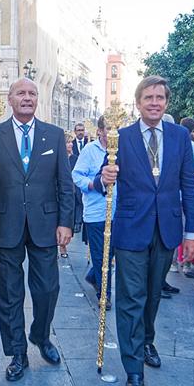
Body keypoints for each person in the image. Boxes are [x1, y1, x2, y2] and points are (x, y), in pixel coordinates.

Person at [98, 76, 194, 386]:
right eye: (148, 97)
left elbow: (189, 186)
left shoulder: (180, 136)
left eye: (159, 97)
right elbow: (106, 175)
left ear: (166, 102)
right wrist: (105, 177)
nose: (154, 102)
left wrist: (192, 233)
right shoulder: (122, 136)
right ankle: (134, 370)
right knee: (131, 298)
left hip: (166, 228)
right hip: (131, 227)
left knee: (153, 294)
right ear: (138, 102)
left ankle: (146, 339)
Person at [0, 77, 74, 381]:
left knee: (47, 289)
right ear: (10, 100)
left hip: (45, 224)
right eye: (21, 93)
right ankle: (17, 351)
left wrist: (66, 221)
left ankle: (40, 336)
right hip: (6, 223)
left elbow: (64, 183)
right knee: (9, 293)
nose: (27, 97)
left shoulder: (54, 135)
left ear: (37, 99)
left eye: (32, 93)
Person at [72, 114, 116, 310]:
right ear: (100, 131)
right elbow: (76, 175)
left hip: (119, 212)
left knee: (112, 253)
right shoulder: (90, 150)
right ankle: (104, 293)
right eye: (109, 128)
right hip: (96, 212)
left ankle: (93, 276)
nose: (113, 132)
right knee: (100, 255)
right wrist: (92, 184)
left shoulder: (123, 150)